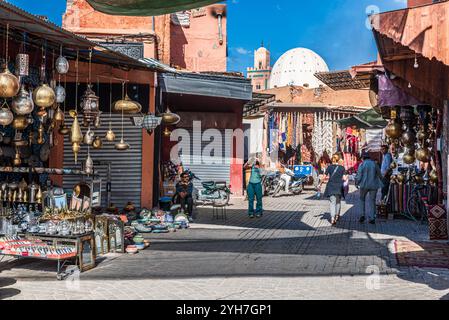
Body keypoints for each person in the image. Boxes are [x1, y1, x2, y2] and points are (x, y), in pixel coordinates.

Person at [355, 151, 383, 224]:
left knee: (362, 199)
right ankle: (372, 217)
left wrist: (357, 183)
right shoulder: (374, 164)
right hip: (374, 185)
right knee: (372, 201)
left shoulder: (362, 164)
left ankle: (362, 215)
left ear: (363, 158)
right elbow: (380, 174)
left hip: (364, 185)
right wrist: (382, 181)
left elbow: (359, 175)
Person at [322, 154, 347, 225]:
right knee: (338, 202)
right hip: (339, 187)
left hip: (331, 187)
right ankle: (337, 216)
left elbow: (324, 177)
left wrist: (320, 183)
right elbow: (344, 178)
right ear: (338, 160)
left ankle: (332, 219)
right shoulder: (342, 168)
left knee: (332, 203)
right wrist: (347, 177)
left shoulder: (329, 167)